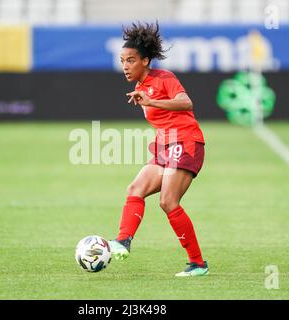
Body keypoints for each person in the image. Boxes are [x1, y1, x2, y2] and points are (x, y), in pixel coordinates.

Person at [108, 21, 208, 277]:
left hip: (186, 142)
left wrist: (153, 100)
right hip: (166, 146)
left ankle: (197, 263)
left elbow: (186, 102)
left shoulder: (163, 78)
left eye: (130, 60)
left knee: (168, 201)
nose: (125, 66)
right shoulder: (140, 89)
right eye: (122, 61)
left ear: (145, 60)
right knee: (135, 188)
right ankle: (123, 241)